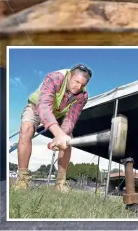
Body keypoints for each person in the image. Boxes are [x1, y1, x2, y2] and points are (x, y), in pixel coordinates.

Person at [13, 64, 91, 192]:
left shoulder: (83, 96)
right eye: (76, 82)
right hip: (38, 107)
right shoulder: (54, 78)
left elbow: (71, 118)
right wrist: (58, 133)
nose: (78, 87)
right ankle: (22, 179)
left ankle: (60, 183)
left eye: (82, 85)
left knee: (68, 140)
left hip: (59, 113)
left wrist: (61, 137)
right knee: (26, 129)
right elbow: (44, 108)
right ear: (69, 76)